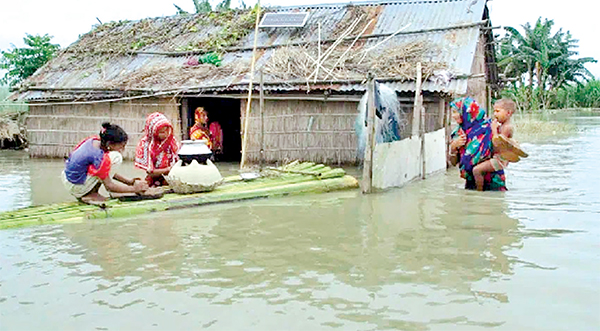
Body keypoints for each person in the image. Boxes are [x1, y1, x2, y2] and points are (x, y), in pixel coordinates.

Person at [62, 122, 149, 204]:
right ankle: (91, 194)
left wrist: (128, 182)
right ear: (110, 144)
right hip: (76, 186)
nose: (122, 149)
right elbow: (109, 186)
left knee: (110, 159)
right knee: (116, 157)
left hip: (69, 180)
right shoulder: (99, 157)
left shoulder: (94, 140)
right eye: (121, 146)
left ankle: (89, 192)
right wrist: (134, 189)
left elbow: (103, 171)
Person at [447, 97, 507, 191]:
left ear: (468, 111)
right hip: (471, 184)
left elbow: (503, 153)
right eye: (453, 112)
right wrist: (453, 147)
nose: (453, 116)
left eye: (456, 112)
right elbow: (454, 163)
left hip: (494, 183)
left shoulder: (490, 128)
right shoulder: (458, 133)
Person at [471, 98, 516, 191]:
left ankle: (479, 192)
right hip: (496, 157)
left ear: (508, 113)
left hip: (499, 159)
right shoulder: (502, 125)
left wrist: (494, 130)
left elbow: (498, 143)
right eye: (494, 111)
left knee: (477, 170)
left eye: (498, 111)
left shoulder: (507, 128)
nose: (495, 114)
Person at [135, 112, 180, 187]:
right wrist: (168, 170)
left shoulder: (172, 141)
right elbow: (150, 172)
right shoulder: (145, 144)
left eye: (167, 130)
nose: (166, 134)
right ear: (154, 132)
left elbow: (179, 160)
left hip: (172, 177)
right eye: (162, 132)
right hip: (153, 179)